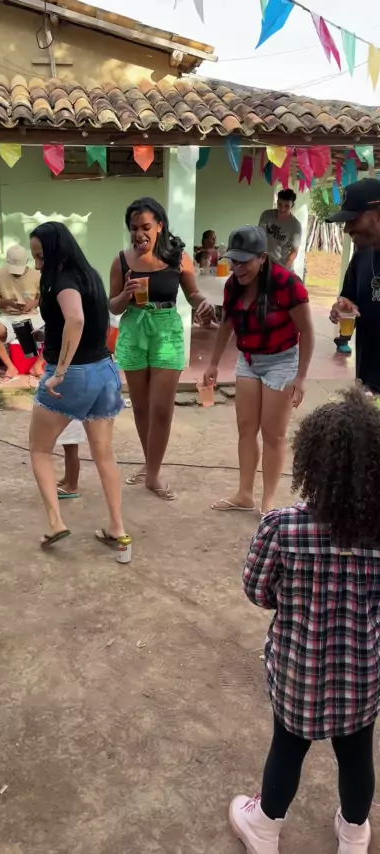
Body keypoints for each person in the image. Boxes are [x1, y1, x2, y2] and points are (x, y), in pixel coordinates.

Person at [229, 388, 380, 854]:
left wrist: (295, 601)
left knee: (288, 746)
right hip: (362, 674)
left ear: (310, 462)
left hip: (299, 669)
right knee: (356, 754)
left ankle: (265, 827)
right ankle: (354, 833)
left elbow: (257, 590)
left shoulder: (282, 527)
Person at [29, 221, 127, 549]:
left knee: (40, 450)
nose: (38, 264)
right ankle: (117, 527)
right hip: (105, 372)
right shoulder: (90, 275)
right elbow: (77, 319)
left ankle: (55, 522)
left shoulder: (63, 279)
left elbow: (75, 319)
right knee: (104, 454)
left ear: (56, 251)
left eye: (41, 256)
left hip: (73, 375)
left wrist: (60, 371)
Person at [204, 226, 314, 515]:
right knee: (246, 427)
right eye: (234, 261)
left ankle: (268, 502)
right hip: (249, 359)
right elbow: (226, 323)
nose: (238, 268)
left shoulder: (286, 283)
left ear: (262, 258)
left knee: (273, 433)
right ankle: (244, 494)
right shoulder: (233, 285)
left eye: (245, 261)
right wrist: (213, 363)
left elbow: (307, 331)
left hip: (282, 360)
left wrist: (301, 378)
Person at [110, 197, 214, 500]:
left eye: (145, 226)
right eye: (133, 228)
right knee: (141, 407)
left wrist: (203, 303)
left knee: (161, 409)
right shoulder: (121, 260)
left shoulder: (178, 257)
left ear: (159, 226)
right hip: (134, 329)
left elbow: (192, 294)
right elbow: (113, 306)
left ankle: (153, 474)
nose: (138, 233)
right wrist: (125, 294)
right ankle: (150, 463)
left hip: (166, 331)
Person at [327, 178, 380, 392]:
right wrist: (342, 307)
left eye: (353, 219)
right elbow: (349, 299)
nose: (347, 229)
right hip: (367, 382)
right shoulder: (360, 257)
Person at [0, 245, 43, 383]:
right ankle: (11, 368)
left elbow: (44, 297)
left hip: (33, 317)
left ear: (26, 261)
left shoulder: (37, 275)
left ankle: (38, 366)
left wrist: (33, 303)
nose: (17, 273)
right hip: (8, 318)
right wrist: (8, 302)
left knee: (58, 329)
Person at [259, 189, 302, 270]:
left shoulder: (295, 225)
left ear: (292, 205)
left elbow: (294, 251)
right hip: (263, 262)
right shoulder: (266, 215)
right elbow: (259, 237)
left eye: (286, 206)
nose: (282, 209)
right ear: (277, 202)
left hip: (281, 264)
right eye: (280, 204)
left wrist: (284, 268)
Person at [55, 419, 87, 500]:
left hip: (71, 419)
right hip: (69, 419)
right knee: (68, 449)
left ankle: (72, 487)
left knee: (71, 449)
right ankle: (67, 479)